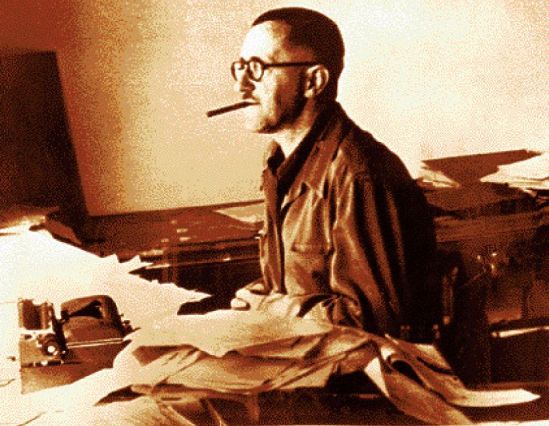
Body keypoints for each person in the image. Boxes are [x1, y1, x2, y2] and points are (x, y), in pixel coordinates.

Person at [229, 7, 438, 340]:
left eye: (257, 68)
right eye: (240, 67)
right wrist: (255, 298)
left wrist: (270, 308)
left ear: (313, 81)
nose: (241, 84)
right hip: (303, 354)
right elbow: (297, 284)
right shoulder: (278, 163)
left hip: (355, 367)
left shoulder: (359, 175)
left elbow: (375, 322)